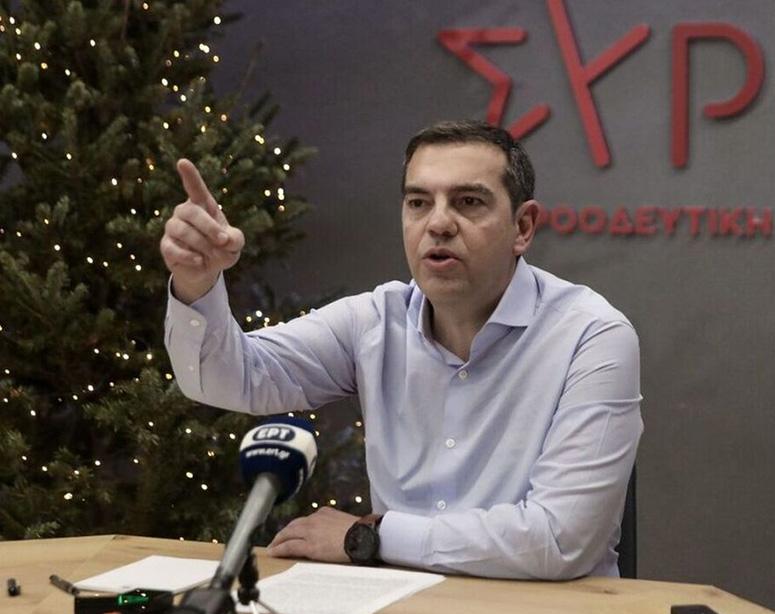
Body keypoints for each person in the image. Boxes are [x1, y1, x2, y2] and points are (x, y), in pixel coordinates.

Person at [161, 120, 642, 580]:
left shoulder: (590, 336)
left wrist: (370, 538)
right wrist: (196, 282)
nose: (438, 223)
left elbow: (559, 539)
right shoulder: (374, 321)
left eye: (468, 202)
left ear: (523, 227)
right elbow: (232, 378)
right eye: (418, 203)